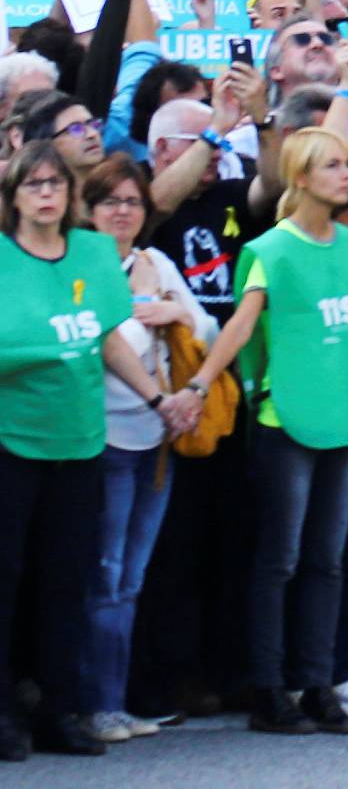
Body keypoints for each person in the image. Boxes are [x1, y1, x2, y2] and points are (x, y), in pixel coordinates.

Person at [172, 128, 348, 738]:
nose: (346, 175)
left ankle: (317, 682)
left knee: (330, 560)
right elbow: (241, 326)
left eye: (347, 164)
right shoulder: (272, 249)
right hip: (287, 416)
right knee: (282, 559)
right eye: (333, 166)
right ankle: (270, 687)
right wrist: (200, 384)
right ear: (302, 177)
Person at [0, 139, 193, 760]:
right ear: (14, 196)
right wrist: (44, 355)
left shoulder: (91, 253)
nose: (48, 194)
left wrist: (158, 400)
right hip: (13, 442)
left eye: (58, 184)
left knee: (69, 580)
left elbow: (110, 340)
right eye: (35, 184)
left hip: (82, 440)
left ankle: (61, 709)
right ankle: (5, 713)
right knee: (6, 581)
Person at [79, 155, 214, 744]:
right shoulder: (80, 265)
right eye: (110, 201)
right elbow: (89, 341)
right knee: (103, 576)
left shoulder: (157, 262)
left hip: (157, 440)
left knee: (131, 578)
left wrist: (176, 310)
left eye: (132, 202)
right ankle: (93, 704)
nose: (122, 212)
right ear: (88, 209)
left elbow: (207, 328)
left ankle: (114, 701)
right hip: (101, 437)